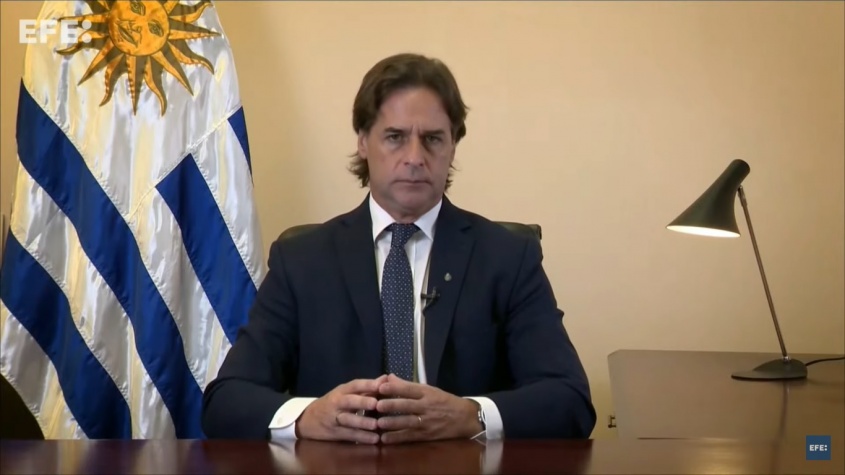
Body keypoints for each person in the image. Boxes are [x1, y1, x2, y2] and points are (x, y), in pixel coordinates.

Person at [201, 53, 596, 443]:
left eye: (433, 139)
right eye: (395, 137)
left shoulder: (507, 257)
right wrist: (307, 418)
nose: (414, 158)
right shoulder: (302, 261)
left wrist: (470, 415)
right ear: (363, 142)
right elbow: (226, 401)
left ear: (453, 147)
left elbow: (570, 400)